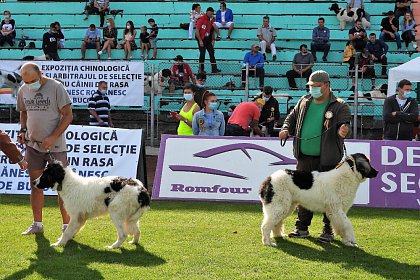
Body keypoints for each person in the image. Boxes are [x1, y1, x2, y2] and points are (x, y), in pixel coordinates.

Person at [279, 70, 351, 243]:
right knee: (303, 194)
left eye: (316, 87)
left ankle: (328, 231)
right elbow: (291, 118)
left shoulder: (340, 105)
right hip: (304, 158)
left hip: (328, 160)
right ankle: (301, 228)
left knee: (330, 197)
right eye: (310, 86)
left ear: (326, 85)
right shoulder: (304, 101)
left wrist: (343, 131)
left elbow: (345, 124)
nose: (312, 90)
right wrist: (285, 128)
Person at [17, 62, 73, 235]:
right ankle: (37, 224)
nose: (29, 85)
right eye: (26, 82)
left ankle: (67, 227)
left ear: (40, 73)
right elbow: (24, 111)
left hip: (55, 147)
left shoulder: (56, 87)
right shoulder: (23, 90)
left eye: (32, 80)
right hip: (33, 146)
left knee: (61, 187)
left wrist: (53, 137)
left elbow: (68, 115)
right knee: (35, 185)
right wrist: (23, 130)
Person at [195, 7, 220, 74]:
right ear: (207, 12)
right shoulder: (201, 19)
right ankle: (201, 69)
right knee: (202, 53)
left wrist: (213, 40)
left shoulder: (211, 20)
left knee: (211, 53)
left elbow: (212, 31)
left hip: (207, 38)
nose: (211, 15)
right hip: (201, 38)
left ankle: (214, 69)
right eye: (210, 14)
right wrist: (200, 40)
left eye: (212, 14)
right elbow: (197, 31)